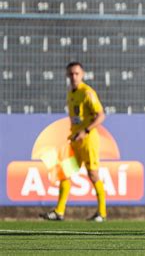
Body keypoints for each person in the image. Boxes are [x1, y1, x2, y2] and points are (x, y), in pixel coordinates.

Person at [40, 61, 107, 222]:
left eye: (76, 74)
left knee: (93, 174)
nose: (73, 77)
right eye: (71, 74)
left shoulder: (87, 92)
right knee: (65, 172)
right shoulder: (71, 92)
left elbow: (101, 115)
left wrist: (86, 131)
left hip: (88, 140)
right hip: (76, 140)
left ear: (82, 75)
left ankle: (102, 213)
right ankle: (59, 211)